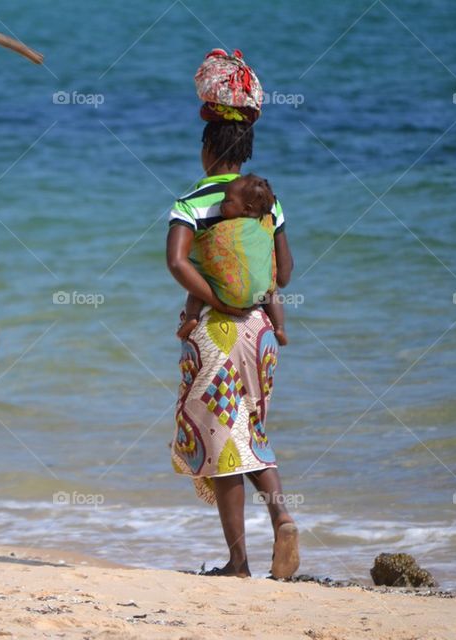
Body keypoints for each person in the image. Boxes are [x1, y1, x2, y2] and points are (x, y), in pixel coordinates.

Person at [166, 49, 299, 579]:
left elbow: (176, 262)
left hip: (217, 335)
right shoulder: (270, 203)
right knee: (253, 432)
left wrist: (215, 299)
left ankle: (239, 560)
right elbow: (282, 274)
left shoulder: (195, 200)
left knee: (223, 443)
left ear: (207, 147)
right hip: (263, 333)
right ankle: (283, 516)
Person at [176, 173, 288, 346]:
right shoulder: (264, 224)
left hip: (224, 297)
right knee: (272, 290)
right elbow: (283, 275)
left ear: (246, 208)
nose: (221, 204)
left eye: (227, 201)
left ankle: (192, 318)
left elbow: (190, 258)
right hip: (258, 295)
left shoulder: (218, 228)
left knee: (200, 274)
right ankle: (279, 326)